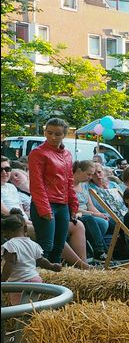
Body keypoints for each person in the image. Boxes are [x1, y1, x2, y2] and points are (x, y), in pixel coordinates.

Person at [27, 118, 78, 265]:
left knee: (58, 247)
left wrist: (73, 206)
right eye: (49, 133)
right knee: (45, 247)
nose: (53, 137)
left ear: (64, 135)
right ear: (45, 132)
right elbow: (36, 184)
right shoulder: (38, 153)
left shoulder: (67, 154)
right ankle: (36, 282)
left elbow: (69, 181)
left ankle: (52, 282)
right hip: (45, 203)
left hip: (62, 205)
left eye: (57, 134)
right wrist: (44, 209)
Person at [2, 213, 61, 304]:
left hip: (19, 284)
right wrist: (52, 266)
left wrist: (2, 280)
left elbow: (10, 263)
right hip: (35, 280)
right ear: (25, 229)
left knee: (19, 309)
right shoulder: (33, 244)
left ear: (5, 232)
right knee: (32, 306)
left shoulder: (10, 245)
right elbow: (41, 261)